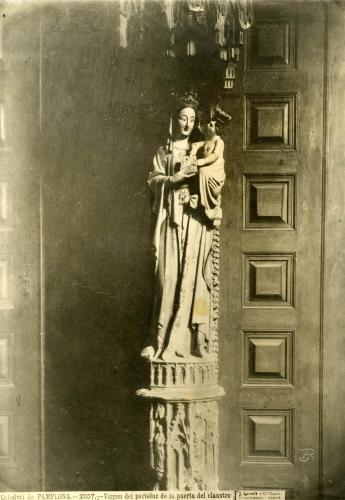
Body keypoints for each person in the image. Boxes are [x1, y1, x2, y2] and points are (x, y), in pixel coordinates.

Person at [142, 92, 224, 361]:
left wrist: (199, 194)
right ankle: (158, 340)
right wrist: (174, 178)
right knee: (165, 279)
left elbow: (215, 177)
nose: (187, 123)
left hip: (193, 221)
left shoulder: (201, 148)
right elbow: (153, 181)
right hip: (169, 218)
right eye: (182, 118)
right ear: (174, 120)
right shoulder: (163, 150)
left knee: (191, 277)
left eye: (191, 119)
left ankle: (187, 341)